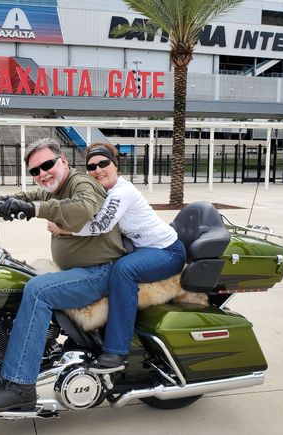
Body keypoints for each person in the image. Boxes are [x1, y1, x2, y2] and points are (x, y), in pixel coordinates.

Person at [0, 138, 126, 412]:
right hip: (79, 271)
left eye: (47, 165)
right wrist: (7, 201)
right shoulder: (57, 187)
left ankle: (19, 386)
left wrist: (31, 210)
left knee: (37, 290)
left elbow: (82, 209)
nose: (42, 173)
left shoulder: (81, 183)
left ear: (63, 161)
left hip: (100, 271)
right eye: (35, 170)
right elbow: (34, 196)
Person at [48, 142, 186, 369]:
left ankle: (117, 351)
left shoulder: (122, 192)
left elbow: (101, 224)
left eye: (103, 163)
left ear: (115, 164)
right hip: (143, 249)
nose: (98, 170)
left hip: (167, 251)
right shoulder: (104, 192)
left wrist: (65, 230)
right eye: (91, 167)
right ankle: (89, 335)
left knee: (123, 271)